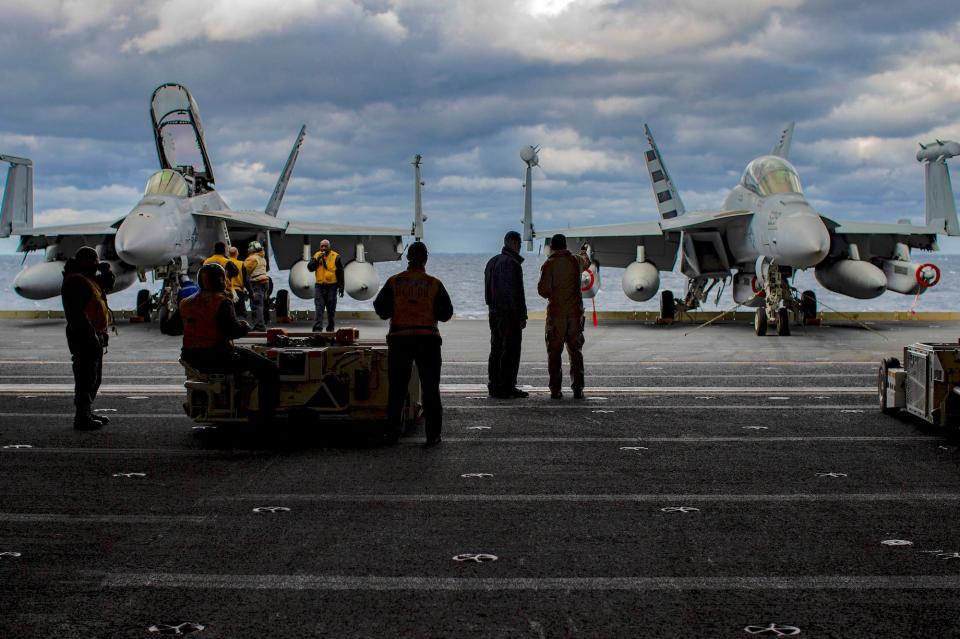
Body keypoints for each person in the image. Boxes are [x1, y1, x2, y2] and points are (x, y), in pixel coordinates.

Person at [374, 242, 453, 447]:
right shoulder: (434, 284)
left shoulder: (394, 282)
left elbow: (380, 308)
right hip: (428, 340)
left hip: (400, 339)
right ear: (425, 259)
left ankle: (393, 432)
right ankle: (432, 435)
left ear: (408, 258)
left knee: (397, 388)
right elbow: (446, 313)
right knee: (430, 389)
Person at [179, 263, 279, 420]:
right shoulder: (221, 302)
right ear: (219, 281)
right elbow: (231, 331)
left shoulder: (185, 303)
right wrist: (245, 326)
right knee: (269, 368)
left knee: (244, 356)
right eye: (223, 279)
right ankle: (264, 414)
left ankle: (233, 401)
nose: (225, 282)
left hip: (190, 356)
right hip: (216, 355)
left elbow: (171, 328)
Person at [61, 246, 115, 430]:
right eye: (94, 262)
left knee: (93, 376)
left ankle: (87, 411)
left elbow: (106, 285)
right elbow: (76, 314)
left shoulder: (86, 279)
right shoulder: (76, 281)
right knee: (85, 377)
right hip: (83, 335)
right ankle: (81, 416)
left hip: (92, 334)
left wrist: (106, 272)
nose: (96, 265)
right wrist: (90, 336)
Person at [537, 234, 591, 400]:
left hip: (556, 316)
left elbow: (542, 290)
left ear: (552, 246)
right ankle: (578, 389)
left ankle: (555, 389)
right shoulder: (575, 261)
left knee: (554, 353)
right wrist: (583, 251)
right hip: (575, 315)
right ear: (565, 245)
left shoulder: (549, 264)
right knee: (576, 352)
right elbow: (586, 261)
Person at [484, 230, 528, 399]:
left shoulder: (492, 262)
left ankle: (494, 385)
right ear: (515, 244)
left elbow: (487, 291)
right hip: (509, 315)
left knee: (495, 349)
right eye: (519, 244)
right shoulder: (512, 264)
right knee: (511, 350)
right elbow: (515, 293)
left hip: (493, 312)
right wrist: (521, 316)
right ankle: (507, 386)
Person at [307, 239, 344, 332]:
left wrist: (341, 287)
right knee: (319, 307)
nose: (323, 248)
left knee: (331, 308)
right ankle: (317, 328)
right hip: (319, 286)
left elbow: (340, 273)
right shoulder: (316, 255)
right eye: (322, 246)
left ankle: (330, 326)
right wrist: (317, 259)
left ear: (329, 247)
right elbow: (310, 268)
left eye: (325, 246)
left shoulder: (336, 256)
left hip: (332, 286)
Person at [243, 240, 270, 331]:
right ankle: (260, 324)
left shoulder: (252, 259)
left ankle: (259, 326)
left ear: (251, 249)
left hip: (256, 283)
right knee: (260, 305)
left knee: (256, 305)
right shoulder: (262, 257)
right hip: (264, 283)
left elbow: (244, 271)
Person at [228, 246, 250, 319]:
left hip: (227, 291)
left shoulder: (225, 263)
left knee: (230, 312)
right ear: (237, 254)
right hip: (238, 291)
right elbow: (246, 280)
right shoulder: (241, 264)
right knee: (241, 313)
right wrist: (250, 291)